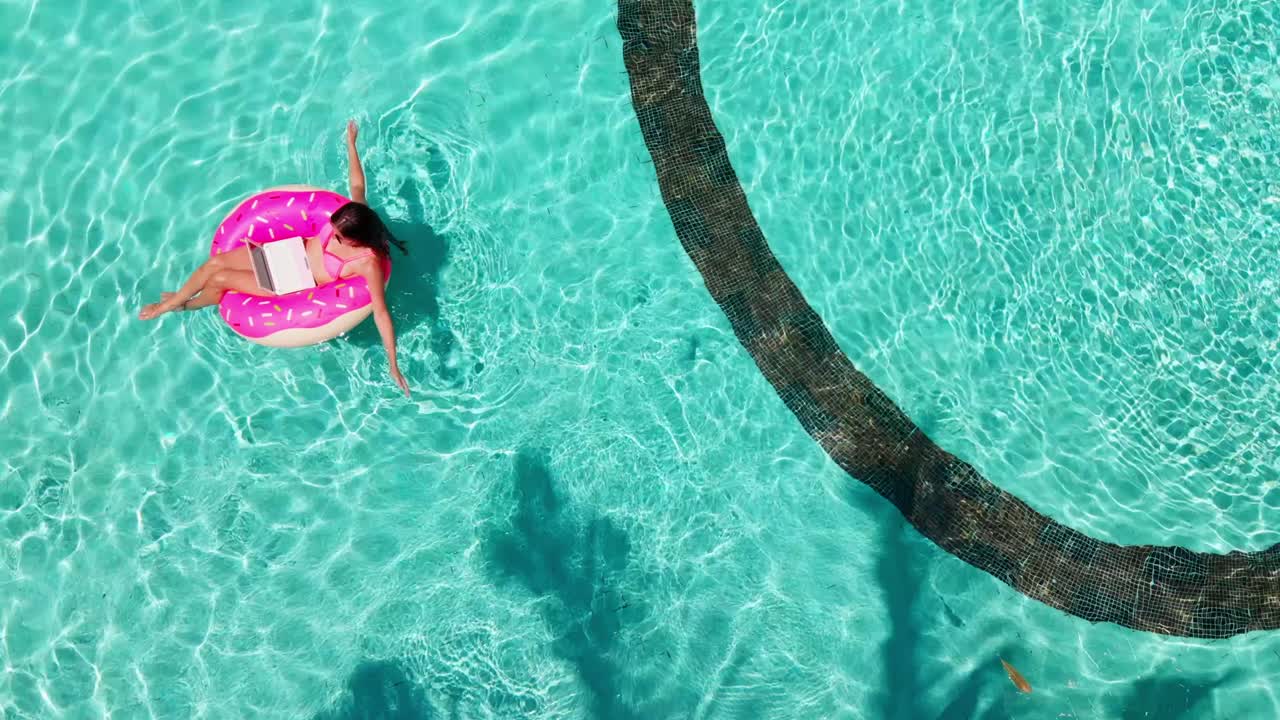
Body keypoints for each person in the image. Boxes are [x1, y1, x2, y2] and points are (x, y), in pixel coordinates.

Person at [139, 121, 411, 397]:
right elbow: (357, 184)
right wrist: (351, 144)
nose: (332, 236)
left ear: (357, 239)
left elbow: (381, 312)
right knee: (214, 265)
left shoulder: (367, 263)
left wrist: (393, 364)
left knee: (221, 279)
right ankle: (174, 301)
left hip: (293, 280)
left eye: (339, 237)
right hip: (288, 251)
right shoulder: (355, 214)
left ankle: (183, 305)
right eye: (333, 229)